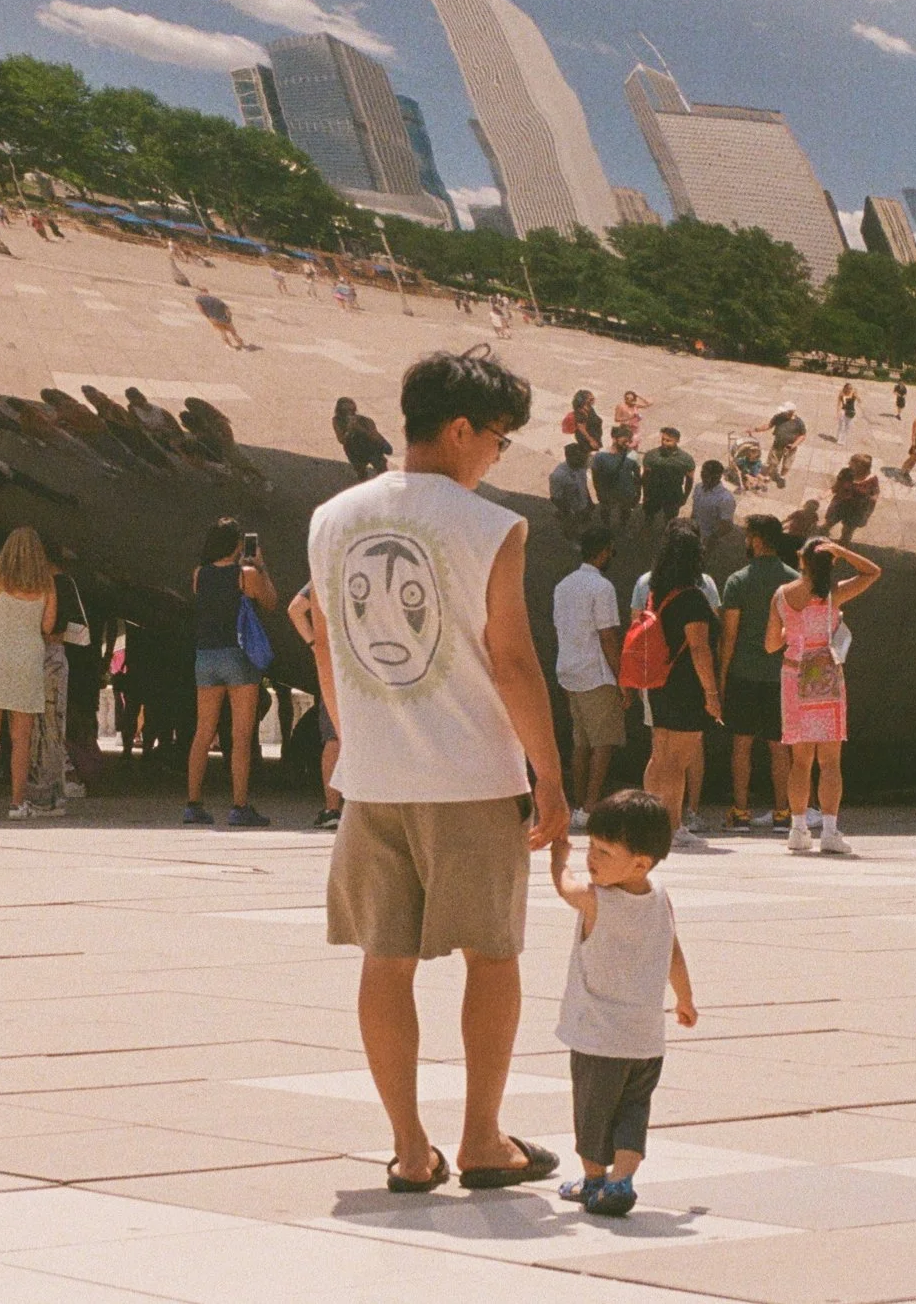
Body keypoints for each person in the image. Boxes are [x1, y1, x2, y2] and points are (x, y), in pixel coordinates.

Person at [303, 346, 567, 1196]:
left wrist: (353, 743)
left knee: (386, 959)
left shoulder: (330, 517)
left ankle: (410, 1149)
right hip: (470, 777)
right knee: (491, 955)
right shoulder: (488, 525)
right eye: (496, 437)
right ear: (459, 429)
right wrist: (551, 776)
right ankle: (483, 1137)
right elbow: (514, 661)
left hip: (374, 782)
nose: (496, 455)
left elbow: (326, 647)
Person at [547, 789, 696, 1218]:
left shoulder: (595, 899)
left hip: (598, 1039)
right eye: (591, 847)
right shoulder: (660, 897)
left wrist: (561, 856)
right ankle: (623, 1179)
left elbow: (563, 886)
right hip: (646, 1041)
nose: (593, 859)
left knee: (592, 1116)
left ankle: (596, 1180)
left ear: (640, 863)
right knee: (633, 1112)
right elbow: (673, 949)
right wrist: (684, 997)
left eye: (604, 852)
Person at [764, 538, 881, 856]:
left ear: (800, 558)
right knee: (830, 761)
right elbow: (872, 572)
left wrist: (792, 633)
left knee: (800, 761)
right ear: (829, 564)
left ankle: (798, 829)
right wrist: (841, 551)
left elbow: (771, 644)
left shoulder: (782, 596)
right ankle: (830, 831)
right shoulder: (833, 594)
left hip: (794, 674)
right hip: (827, 676)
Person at [185, 518, 279, 828]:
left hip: (206, 655)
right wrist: (260, 566)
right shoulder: (246, 575)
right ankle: (239, 806)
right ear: (238, 544)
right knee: (241, 736)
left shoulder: (200, 575)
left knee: (202, 731)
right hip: (238, 656)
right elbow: (271, 602)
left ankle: (193, 803)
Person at [639, 523, 720, 850]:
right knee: (679, 758)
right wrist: (712, 694)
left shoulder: (657, 594)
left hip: (659, 681)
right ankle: (671, 826)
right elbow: (699, 648)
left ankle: (647, 822)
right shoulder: (693, 599)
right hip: (687, 685)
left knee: (659, 755)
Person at [717, 516, 797, 831]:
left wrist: (722, 677)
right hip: (782, 675)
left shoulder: (737, 581)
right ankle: (782, 813)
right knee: (780, 747)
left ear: (758, 540)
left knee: (742, 745)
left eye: (748, 536)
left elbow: (729, 636)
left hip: (744, 674)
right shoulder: (795, 581)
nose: (745, 542)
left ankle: (740, 812)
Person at [0, 527, 54, 820]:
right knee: (21, 738)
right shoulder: (46, 582)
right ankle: (18, 803)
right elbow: (47, 625)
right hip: (27, 659)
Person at [552, 525, 625, 828]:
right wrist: (622, 679)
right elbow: (607, 635)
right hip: (596, 673)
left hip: (568, 670)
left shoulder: (563, 585)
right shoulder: (602, 587)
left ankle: (579, 804)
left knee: (580, 743)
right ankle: (590, 806)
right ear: (604, 551)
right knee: (603, 743)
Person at [287, 582, 342, 829]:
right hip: (374, 661)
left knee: (333, 737)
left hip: (335, 663)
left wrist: (315, 644)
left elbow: (296, 609)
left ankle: (332, 808)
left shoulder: (327, 569)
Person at [638, 427, 695, 532]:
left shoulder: (686, 459)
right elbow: (645, 476)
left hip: (673, 493)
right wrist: (644, 494)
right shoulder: (651, 455)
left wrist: (685, 496)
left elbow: (690, 480)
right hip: (654, 492)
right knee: (649, 513)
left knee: (670, 518)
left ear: (677, 441)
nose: (664, 442)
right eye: (663, 439)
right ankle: (647, 528)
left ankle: (667, 533)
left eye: (668, 440)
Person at [824, 454, 879, 542]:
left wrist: (867, 514)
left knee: (847, 532)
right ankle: (821, 536)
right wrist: (823, 495)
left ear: (860, 467)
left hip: (856, 511)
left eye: (852, 463)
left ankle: (841, 548)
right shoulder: (845, 472)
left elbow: (874, 497)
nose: (848, 463)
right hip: (839, 505)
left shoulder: (872, 480)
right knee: (828, 523)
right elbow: (837, 486)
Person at [549, 439, 597, 534]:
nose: (585, 462)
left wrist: (589, 501)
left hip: (582, 504)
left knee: (584, 523)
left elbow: (583, 484)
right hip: (570, 509)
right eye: (581, 459)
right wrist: (569, 514)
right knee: (571, 528)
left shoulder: (582, 466)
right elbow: (555, 498)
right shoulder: (558, 475)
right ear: (569, 458)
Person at [689, 458, 739, 547]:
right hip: (694, 535)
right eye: (702, 474)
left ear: (717, 477)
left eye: (707, 476)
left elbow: (726, 525)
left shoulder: (725, 498)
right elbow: (694, 510)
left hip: (710, 540)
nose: (704, 478)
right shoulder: (698, 488)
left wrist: (711, 540)